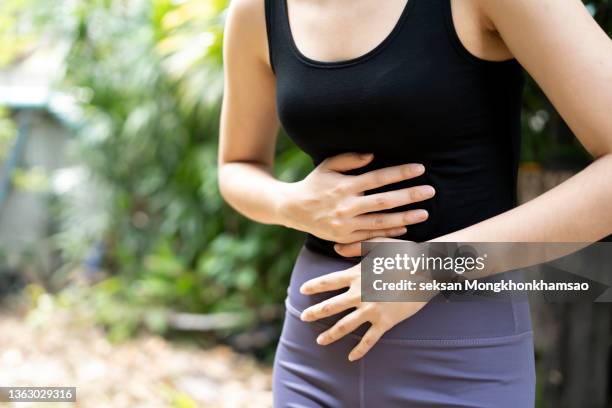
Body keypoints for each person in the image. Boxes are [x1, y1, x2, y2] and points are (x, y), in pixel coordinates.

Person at [218, 0, 612, 405]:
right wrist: (290, 202)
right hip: (314, 356)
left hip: (463, 358)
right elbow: (236, 165)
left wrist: (432, 267)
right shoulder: (256, 10)